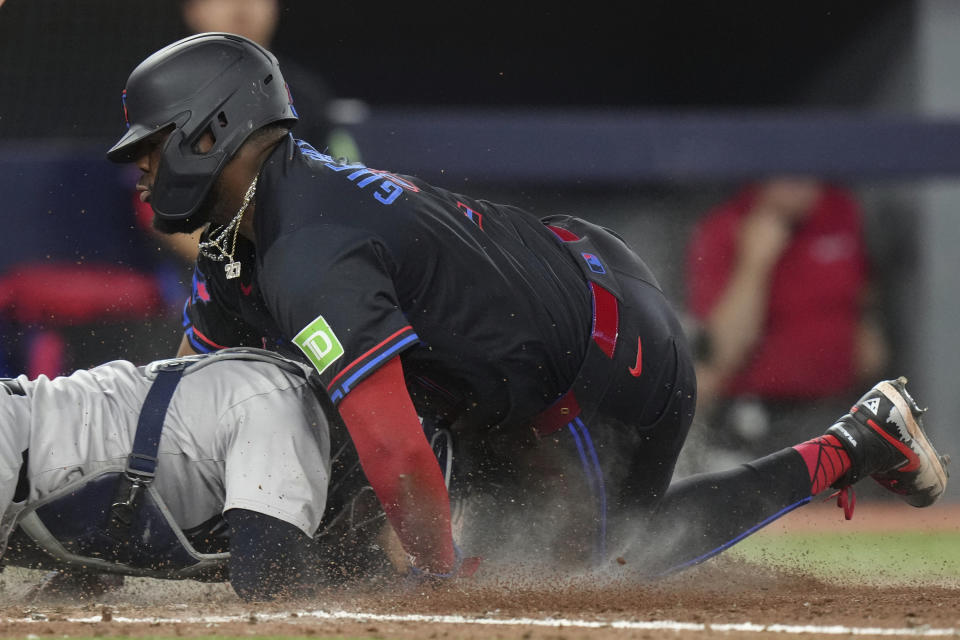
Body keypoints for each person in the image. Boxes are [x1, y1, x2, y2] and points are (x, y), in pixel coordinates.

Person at [105, 34, 950, 578]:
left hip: (599, 354)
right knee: (350, 484)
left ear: (211, 131)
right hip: (522, 336)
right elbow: (200, 406)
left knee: (590, 570)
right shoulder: (243, 235)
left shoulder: (309, 245)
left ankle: (854, 443)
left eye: (151, 148)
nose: (141, 171)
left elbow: (397, 448)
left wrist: (436, 584)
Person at [0, 348, 398, 601]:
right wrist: (378, 576)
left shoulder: (275, 389)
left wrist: (92, 567)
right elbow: (267, 579)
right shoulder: (287, 406)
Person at [685, 179, 889, 463]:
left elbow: (869, 345)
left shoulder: (842, 213)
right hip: (754, 415)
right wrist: (754, 264)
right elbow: (719, 356)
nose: (797, 184)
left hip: (837, 410)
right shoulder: (726, 227)